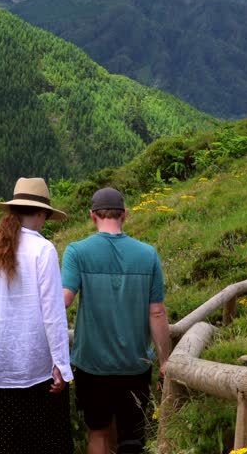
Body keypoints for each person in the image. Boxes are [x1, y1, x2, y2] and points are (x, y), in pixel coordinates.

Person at [61, 187, 170, 454]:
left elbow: (63, 300)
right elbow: (157, 312)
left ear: (92, 216)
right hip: (135, 364)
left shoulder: (77, 252)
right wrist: (165, 360)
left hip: (91, 364)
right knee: (132, 437)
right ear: (125, 215)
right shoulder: (148, 254)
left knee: (97, 432)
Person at [0, 177, 73, 453]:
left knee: (8, 444)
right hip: (37, 369)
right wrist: (61, 366)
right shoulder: (43, 250)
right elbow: (53, 314)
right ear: (41, 213)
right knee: (49, 445)